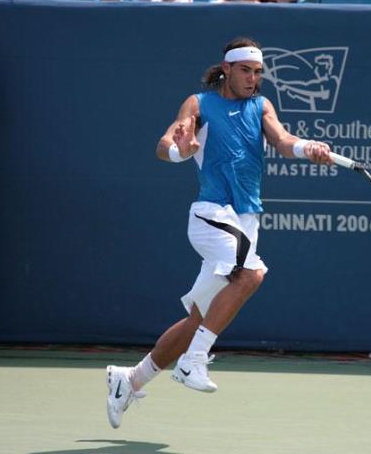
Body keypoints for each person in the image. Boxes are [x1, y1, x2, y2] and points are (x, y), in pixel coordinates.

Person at [105, 37, 333, 429]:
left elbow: (281, 140)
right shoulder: (199, 103)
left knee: (199, 317)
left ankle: (130, 379)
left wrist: (307, 147)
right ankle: (193, 362)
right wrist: (180, 150)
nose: (253, 78)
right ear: (226, 68)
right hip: (212, 213)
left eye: (259, 72)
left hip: (246, 220)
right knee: (253, 274)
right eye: (246, 70)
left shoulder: (261, 106)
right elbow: (164, 145)